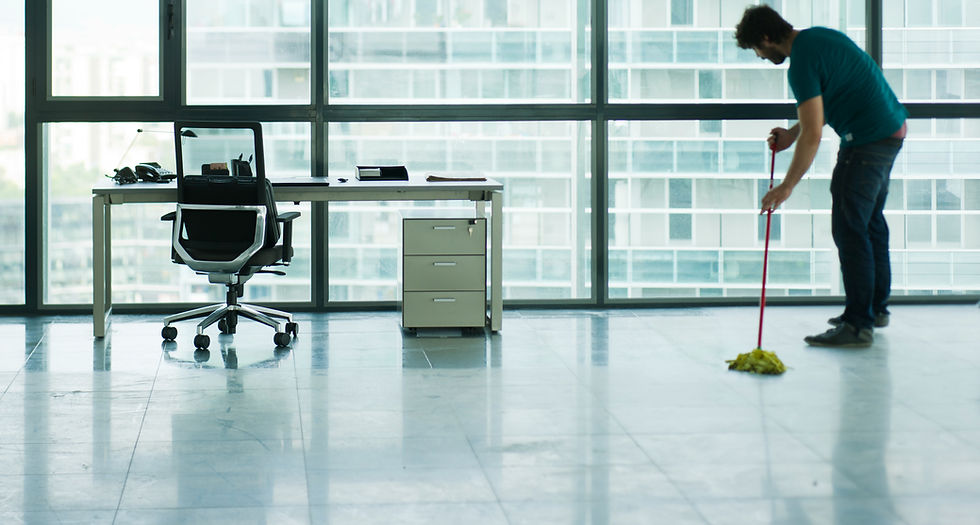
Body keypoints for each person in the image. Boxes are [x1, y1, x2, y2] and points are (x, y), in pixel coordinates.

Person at [734, 6, 908, 348]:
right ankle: (874, 309)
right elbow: (825, 104)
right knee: (869, 222)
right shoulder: (819, 38)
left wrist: (786, 187)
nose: (758, 56)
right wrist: (791, 135)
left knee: (850, 227)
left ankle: (858, 325)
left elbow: (814, 133)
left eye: (755, 48)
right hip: (890, 130)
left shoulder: (799, 64)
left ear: (766, 38)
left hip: (867, 140)